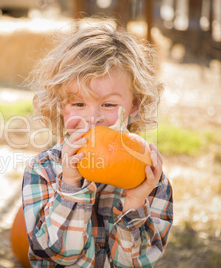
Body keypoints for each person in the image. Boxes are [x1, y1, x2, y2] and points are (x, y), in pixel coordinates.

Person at [22, 22, 173, 267]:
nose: (93, 119)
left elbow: (136, 263)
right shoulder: (43, 170)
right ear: (61, 107)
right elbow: (57, 254)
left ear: (134, 104)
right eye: (78, 104)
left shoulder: (150, 180)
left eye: (109, 105)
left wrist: (134, 204)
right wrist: (70, 186)